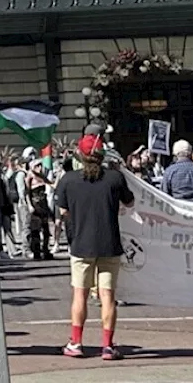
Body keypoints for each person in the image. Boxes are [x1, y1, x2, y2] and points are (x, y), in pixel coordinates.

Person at [57, 134, 135, 361]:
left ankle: (76, 342)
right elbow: (129, 202)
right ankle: (108, 346)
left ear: (80, 155)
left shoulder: (68, 180)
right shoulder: (114, 178)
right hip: (109, 244)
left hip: (81, 244)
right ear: (102, 156)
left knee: (79, 295)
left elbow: (63, 212)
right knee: (108, 296)